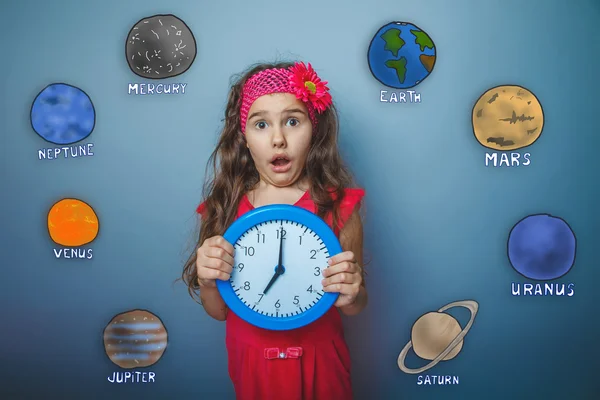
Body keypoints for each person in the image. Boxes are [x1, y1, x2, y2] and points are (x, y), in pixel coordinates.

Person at [181, 61, 367, 400]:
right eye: (261, 124)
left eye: (292, 121)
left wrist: (353, 291)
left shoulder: (340, 207)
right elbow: (219, 310)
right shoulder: (224, 206)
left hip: (321, 363)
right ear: (245, 139)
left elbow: (354, 303)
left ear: (314, 130)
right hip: (253, 365)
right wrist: (208, 280)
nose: (278, 139)